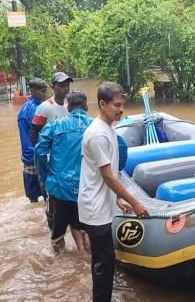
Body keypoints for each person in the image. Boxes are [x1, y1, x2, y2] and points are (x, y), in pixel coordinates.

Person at [78, 82, 149, 302]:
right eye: (116, 105)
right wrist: (135, 201)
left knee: (103, 261)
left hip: (102, 204)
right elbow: (108, 175)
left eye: (122, 105)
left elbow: (107, 174)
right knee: (103, 264)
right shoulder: (98, 134)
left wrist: (118, 198)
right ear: (102, 104)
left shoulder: (107, 128)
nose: (121, 110)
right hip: (95, 208)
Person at [34, 91, 91, 252]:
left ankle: (60, 263)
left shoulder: (55, 125)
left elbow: (40, 152)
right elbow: (120, 147)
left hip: (58, 187)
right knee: (78, 226)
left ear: (68, 107)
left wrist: (44, 178)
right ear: (86, 106)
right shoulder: (95, 125)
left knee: (57, 235)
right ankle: (83, 258)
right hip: (85, 187)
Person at [17, 78, 48, 203]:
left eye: (45, 91)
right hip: (36, 154)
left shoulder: (25, 107)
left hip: (27, 154)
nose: (44, 94)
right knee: (46, 193)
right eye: (42, 91)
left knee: (33, 197)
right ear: (33, 91)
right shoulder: (35, 109)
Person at [30, 71, 72, 145]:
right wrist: (40, 153)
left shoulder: (69, 107)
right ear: (53, 87)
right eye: (62, 86)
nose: (66, 88)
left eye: (67, 85)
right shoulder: (45, 107)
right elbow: (33, 133)